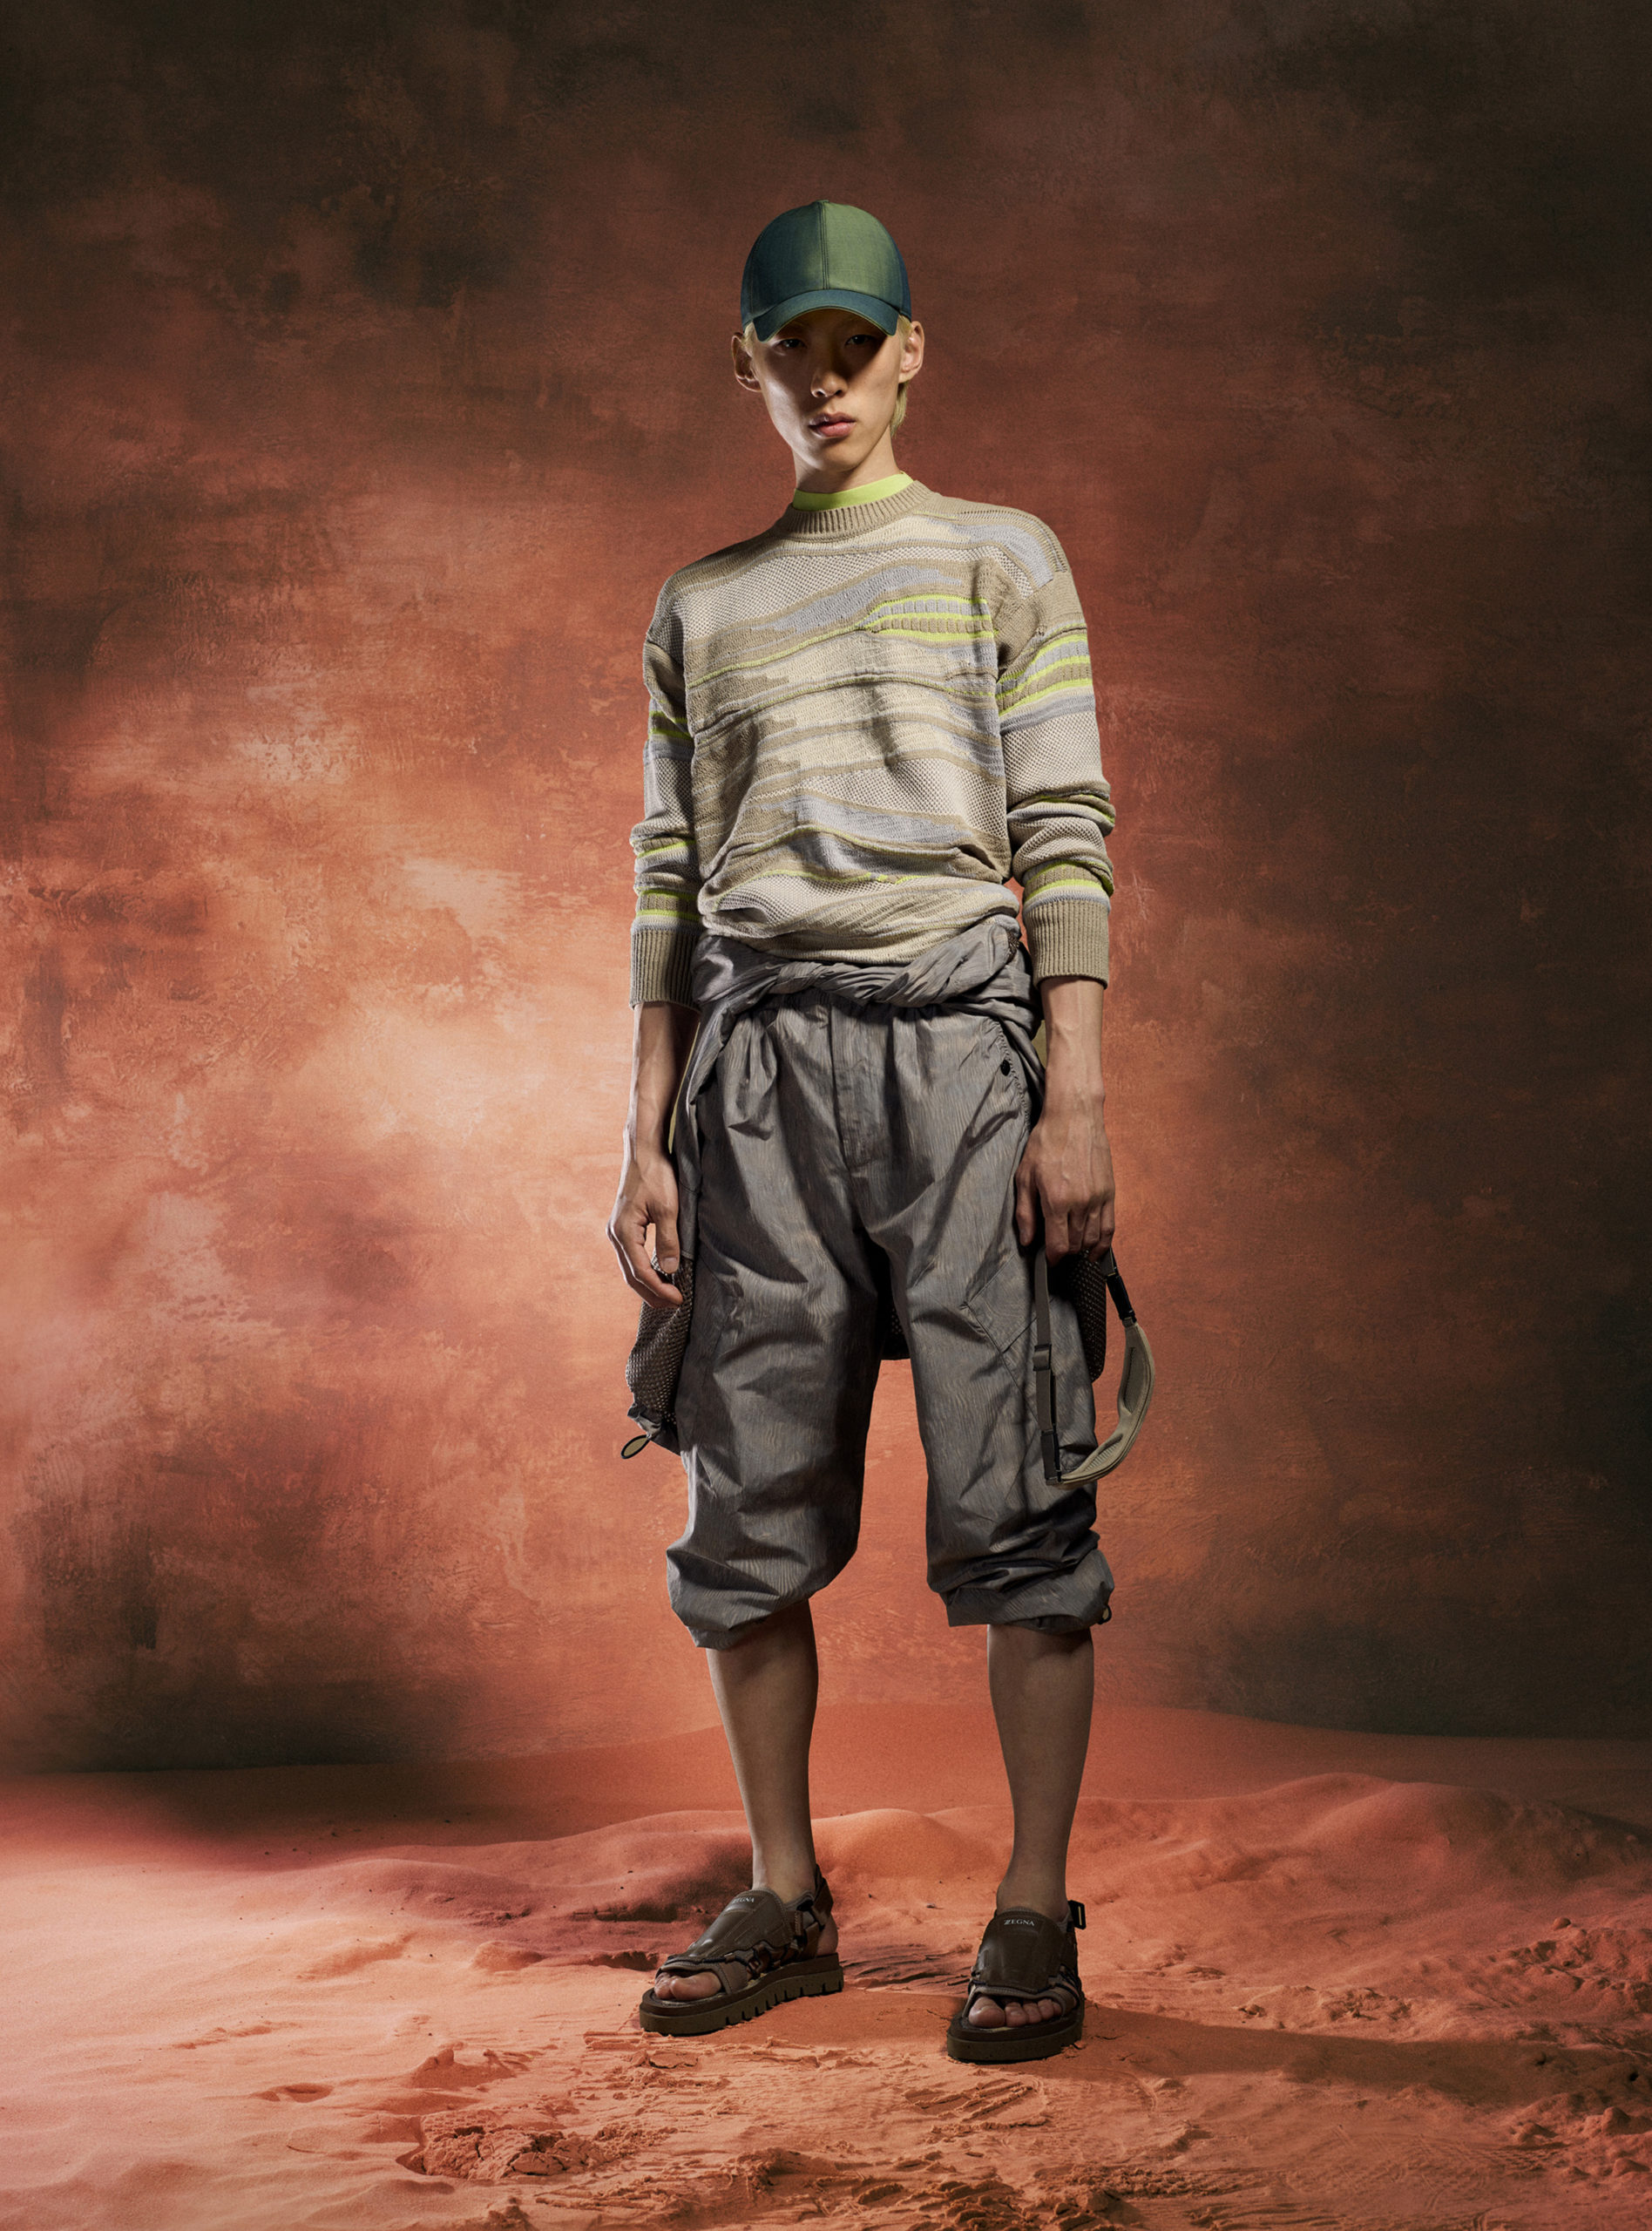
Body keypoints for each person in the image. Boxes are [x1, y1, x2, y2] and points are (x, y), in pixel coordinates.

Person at [606, 201, 1118, 2065]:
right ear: (745, 363)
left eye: (852, 344)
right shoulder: (701, 601)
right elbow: (668, 875)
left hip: (965, 1057)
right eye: (788, 349)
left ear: (911, 350)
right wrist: (646, 1134)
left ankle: (1032, 1907)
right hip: (756, 1075)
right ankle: (785, 1890)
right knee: (743, 1501)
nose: (822, 380)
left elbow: (1063, 826)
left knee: (1020, 1493)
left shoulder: (1003, 555)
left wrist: (1077, 1095)